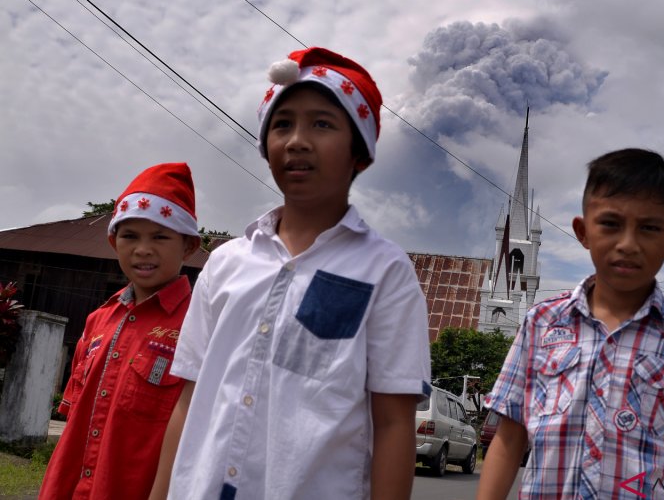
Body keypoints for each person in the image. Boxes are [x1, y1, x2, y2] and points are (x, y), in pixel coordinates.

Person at [150, 47, 431, 500]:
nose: (297, 140)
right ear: (265, 147)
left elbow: (394, 422)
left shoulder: (386, 272)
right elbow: (189, 400)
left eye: (322, 123)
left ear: (360, 152)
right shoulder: (225, 262)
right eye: (282, 125)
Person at [477, 148, 664, 499]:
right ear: (583, 231)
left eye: (649, 228)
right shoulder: (541, 324)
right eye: (611, 224)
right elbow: (509, 441)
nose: (628, 244)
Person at [39, 162, 202, 499]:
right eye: (130, 236)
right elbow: (74, 421)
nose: (143, 249)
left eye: (160, 236)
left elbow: (198, 436)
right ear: (114, 242)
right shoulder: (98, 320)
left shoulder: (199, 325)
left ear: (188, 246)